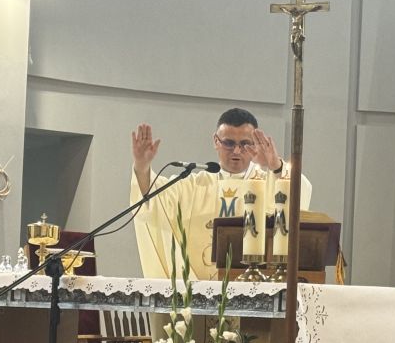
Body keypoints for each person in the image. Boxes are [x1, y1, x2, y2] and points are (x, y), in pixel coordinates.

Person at [131, 107, 312, 280]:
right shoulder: (194, 185)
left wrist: (275, 165)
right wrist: (142, 165)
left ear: (255, 144)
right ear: (216, 141)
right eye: (229, 143)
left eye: (245, 144)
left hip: (254, 287)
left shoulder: (271, 182)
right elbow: (153, 200)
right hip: (198, 290)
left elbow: (299, 194)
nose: (236, 151)